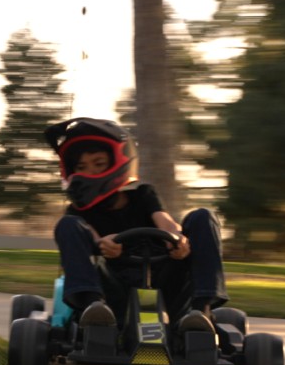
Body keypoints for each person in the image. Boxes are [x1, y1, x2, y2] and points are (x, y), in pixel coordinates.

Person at [44, 117, 228, 335]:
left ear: (118, 162)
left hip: (165, 282)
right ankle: (93, 307)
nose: (90, 172)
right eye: (81, 167)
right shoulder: (78, 213)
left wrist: (178, 241)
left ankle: (201, 311)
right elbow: (92, 237)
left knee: (203, 216)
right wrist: (103, 244)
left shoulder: (143, 196)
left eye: (99, 164)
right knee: (67, 224)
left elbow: (165, 222)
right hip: (115, 288)